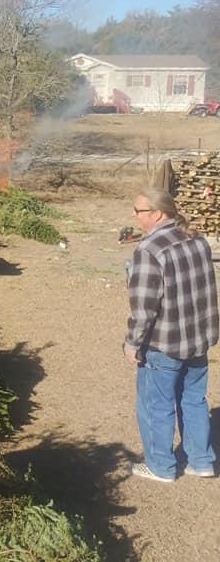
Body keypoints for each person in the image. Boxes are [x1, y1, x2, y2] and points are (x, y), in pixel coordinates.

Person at [124, 187, 219, 482]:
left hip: (163, 344)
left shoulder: (150, 249)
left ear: (157, 213)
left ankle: (160, 466)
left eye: (139, 211)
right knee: (194, 400)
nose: (135, 216)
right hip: (198, 339)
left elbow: (144, 307)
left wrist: (132, 343)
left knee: (156, 405)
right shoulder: (197, 239)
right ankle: (202, 461)